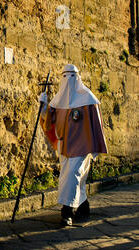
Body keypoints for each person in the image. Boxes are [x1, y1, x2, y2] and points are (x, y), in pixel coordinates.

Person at [39, 64, 108, 226]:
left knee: (73, 175)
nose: (68, 81)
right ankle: (83, 207)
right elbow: (49, 123)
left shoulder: (88, 99)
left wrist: (96, 146)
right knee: (73, 177)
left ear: (77, 78)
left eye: (71, 76)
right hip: (64, 146)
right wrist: (43, 106)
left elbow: (97, 124)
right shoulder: (58, 101)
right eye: (65, 77)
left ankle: (66, 212)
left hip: (82, 146)